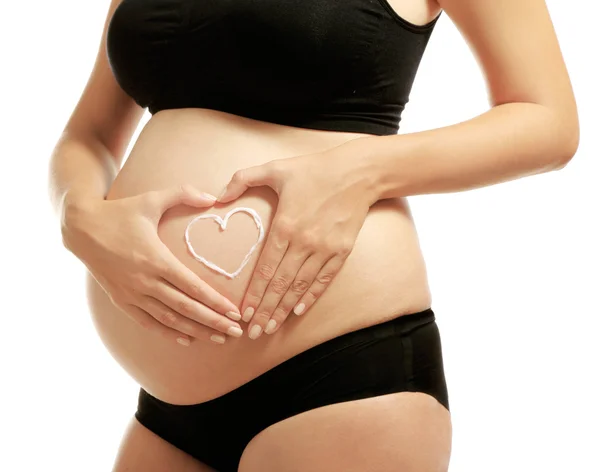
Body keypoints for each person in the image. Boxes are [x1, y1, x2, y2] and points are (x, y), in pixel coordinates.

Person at [47, 0, 579, 470]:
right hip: (168, 409)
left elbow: (547, 120)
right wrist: (80, 215)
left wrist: (360, 170)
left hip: (341, 382)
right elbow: (87, 135)